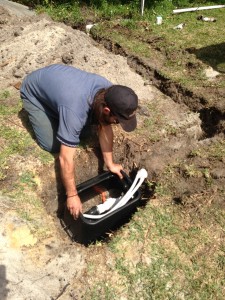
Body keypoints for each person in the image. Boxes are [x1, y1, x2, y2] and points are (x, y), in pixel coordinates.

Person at [20, 64, 138, 219]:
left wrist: (110, 163)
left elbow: (106, 125)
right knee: (52, 144)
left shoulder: (111, 94)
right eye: (118, 120)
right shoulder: (75, 110)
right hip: (35, 94)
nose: (118, 124)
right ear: (107, 110)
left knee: (84, 128)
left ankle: (60, 115)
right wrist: (71, 195)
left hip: (64, 92)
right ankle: (51, 112)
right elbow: (65, 158)